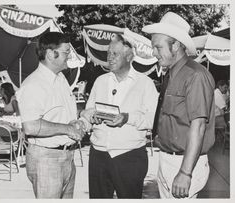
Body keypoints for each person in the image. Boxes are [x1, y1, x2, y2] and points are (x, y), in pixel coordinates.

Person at [142, 12, 215, 198]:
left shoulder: (195, 75)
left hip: (184, 163)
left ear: (175, 45)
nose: (153, 53)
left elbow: (198, 127)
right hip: (167, 159)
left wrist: (185, 173)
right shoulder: (171, 73)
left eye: (158, 47)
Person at [80, 34, 158, 198]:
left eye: (115, 54)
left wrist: (127, 118)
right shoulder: (100, 81)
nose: (109, 58)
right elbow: (88, 112)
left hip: (129, 157)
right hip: (98, 155)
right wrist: (89, 117)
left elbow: (151, 120)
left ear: (129, 56)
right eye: (108, 53)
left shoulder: (145, 84)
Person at [16, 32, 85, 199]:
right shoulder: (34, 84)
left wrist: (78, 121)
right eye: (66, 52)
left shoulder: (60, 79)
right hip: (46, 160)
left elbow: (59, 115)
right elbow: (30, 126)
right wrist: (68, 129)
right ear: (50, 54)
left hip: (67, 157)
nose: (69, 56)